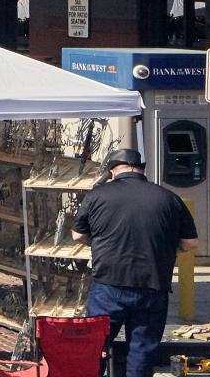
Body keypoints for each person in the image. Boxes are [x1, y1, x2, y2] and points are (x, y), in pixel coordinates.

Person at [72, 146, 201, 377]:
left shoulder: (97, 195)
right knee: (141, 352)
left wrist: (100, 242)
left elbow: (77, 235)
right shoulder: (169, 198)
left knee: (94, 348)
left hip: (108, 285)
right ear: (142, 170)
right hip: (152, 286)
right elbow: (191, 243)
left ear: (113, 171)